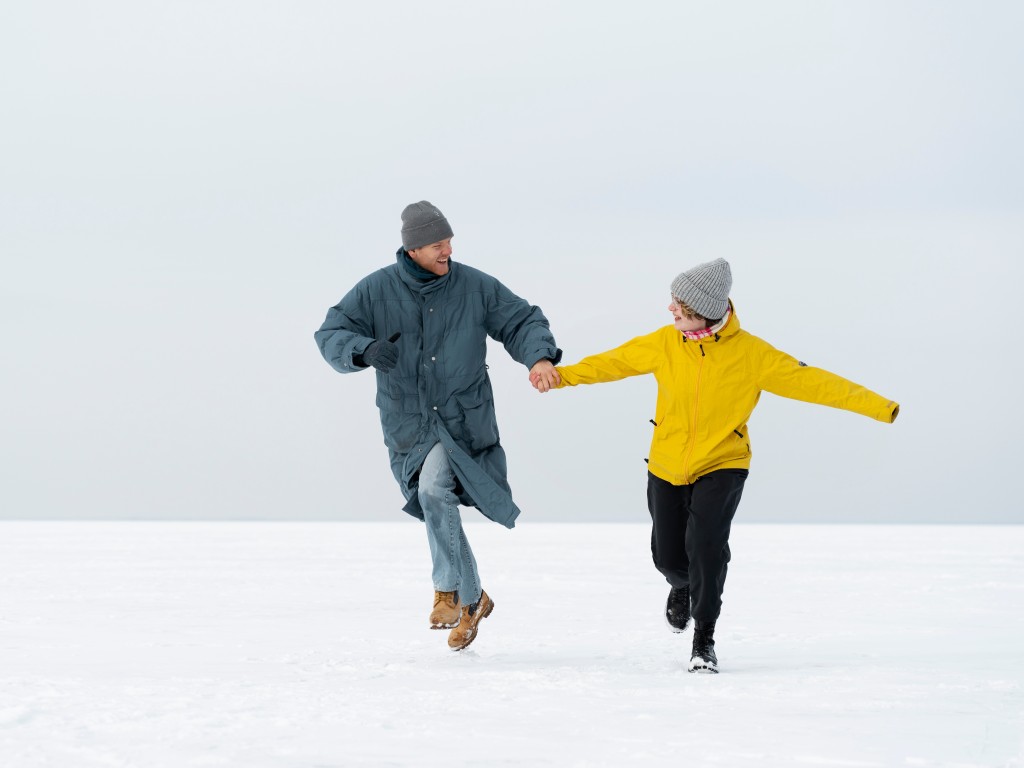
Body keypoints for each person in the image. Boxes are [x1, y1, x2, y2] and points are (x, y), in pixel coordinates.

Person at [531, 258, 898, 672]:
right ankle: (681, 585)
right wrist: (562, 376)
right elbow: (612, 362)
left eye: (679, 305)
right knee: (668, 556)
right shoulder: (665, 343)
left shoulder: (753, 355)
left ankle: (704, 637)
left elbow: (817, 384)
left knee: (706, 546)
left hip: (723, 462)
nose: (671, 310)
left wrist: (879, 407)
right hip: (667, 462)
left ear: (702, 310)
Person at [315, 201, 561, 651]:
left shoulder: (474, 286)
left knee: (432, 491)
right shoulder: (375, 291)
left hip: (462, 419)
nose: (447, 251)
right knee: (434, 501)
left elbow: (521, 319)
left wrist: (539, 356)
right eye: (437, 245)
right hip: (408, 423)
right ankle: (475, 600)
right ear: (412, 249)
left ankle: (446, 591)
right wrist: (365, 349)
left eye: (449, 242)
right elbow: (330, 332)